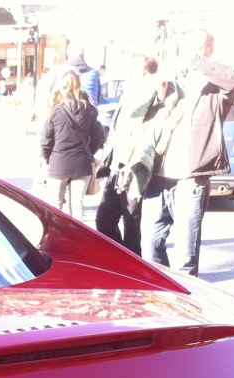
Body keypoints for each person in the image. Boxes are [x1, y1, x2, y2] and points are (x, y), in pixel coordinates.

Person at [139, 29, 234, 277]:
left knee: (186, 255)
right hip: (159, 176)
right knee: (150, 246)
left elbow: (233, 80)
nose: (194, 52)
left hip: (190, 178)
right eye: (189, 47)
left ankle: (187, 303)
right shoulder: (176, 83)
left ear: (209, 49)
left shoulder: (218, 89)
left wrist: (196, 60)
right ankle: (164, 292)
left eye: (199, 47)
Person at [96, 55, 160, 256]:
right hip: (116, 169)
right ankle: (122, 257)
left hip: (134, 171)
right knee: (104, 221)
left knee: (132, 223)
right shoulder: (127, 99)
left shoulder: (153, 100)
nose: (128, 78)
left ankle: (133, 263)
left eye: (134, 74)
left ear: (147, 75)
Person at [40, 71, 100, 219]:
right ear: (79, 85)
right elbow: (99, 137)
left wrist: (45, 157)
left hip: (59, 162)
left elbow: (46, 138)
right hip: (82, 162)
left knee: (56, 205)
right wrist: (89, 152)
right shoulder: (90, 110)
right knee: (77, 204)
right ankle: (78, 238)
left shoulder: (55, 109)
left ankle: (59, 237)